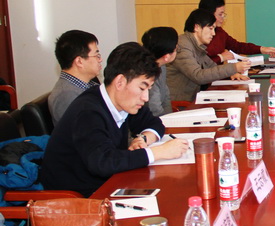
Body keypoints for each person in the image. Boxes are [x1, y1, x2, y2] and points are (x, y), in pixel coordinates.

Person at [40, 42, 189, 197]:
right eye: (142, 88)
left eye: (148, 89)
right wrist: (158, 152)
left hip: (109, 183)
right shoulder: (88, 111)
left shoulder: (123, 101)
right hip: (76, 198)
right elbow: (103, 162)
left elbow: (154, 123)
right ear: (120, 82)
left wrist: (144, 138)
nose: (145, 97)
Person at [167, 9, 250, 102]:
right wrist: (234, 67)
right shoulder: (182, 46)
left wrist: (232, 73)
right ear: (197, 27)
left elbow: (211, 66)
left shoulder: (195, 45)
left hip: (190, 100)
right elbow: (198, 76)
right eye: (211, 28)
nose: (213, 33)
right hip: (179, 104)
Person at [199, 0, 275, 64]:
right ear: (209, 15)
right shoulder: (197, 36)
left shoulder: (219, 31)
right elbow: (200, 65)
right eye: (220, 14)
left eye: (223, 14)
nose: (223, 18)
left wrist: (262, 49)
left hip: (218, 75)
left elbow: (237, 46)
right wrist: (221, 57)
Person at [48, 30, 102, 125]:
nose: (100, 59)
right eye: (96, 55)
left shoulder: (88, 84)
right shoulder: (66, 95)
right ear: (79, 61)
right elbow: (88, 130)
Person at [141, 26, 178, 116]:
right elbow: (154, 109)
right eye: (176, 48)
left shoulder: (162, 66)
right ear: (166, 57)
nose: (177, 49)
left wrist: (170, 117)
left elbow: (166, 96)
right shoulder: (147, 73)